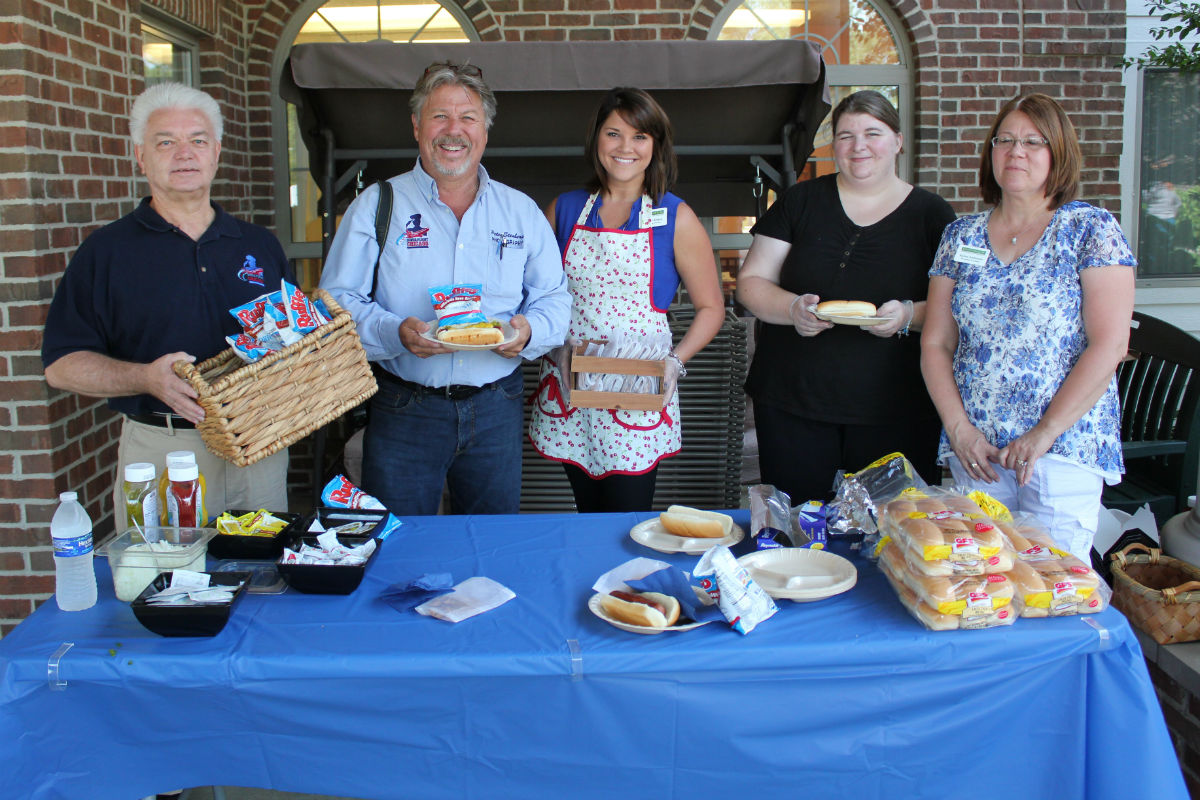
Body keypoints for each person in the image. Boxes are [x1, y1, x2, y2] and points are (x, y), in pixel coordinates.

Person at [319, 61, 570, 516]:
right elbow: (336, 302)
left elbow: (553, 297)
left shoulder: (521, 212)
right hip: (404, 407)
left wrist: (528, 332)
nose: (453, 131)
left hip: (497, 407)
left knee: (489, 548)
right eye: (440, 116)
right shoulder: (377, 205)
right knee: (399, 547)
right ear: (417, 126)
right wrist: (396, 332)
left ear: (485, 131)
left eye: (468, 118)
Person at [42, 82, 292, 531]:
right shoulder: (106, 252)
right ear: (141, 156)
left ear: (216, 152)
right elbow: (61, 365)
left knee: (265, 582)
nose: (184, 153)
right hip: (161, 448)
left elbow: (292, 337)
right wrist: (143, 377)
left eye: (197, 140)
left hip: (259, 446)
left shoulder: (259, 245)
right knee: (165, 587)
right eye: (166, 142)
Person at [921, 93, 1136, 561]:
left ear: (1058, 153)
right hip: (976, 450)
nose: (1016, 152)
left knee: (1055, 585)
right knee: (982, 584)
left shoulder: (1089, 229)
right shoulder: (961, 236)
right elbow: (936, 342)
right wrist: (958, 430)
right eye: (1005, 140)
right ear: (991, 153)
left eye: (1033, 142)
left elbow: (1110, 343)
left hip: (1061, 447)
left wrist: (1045, 433)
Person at [736, 90, 955, 503]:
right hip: (793, 403)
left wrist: (909, 314)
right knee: (801, 527)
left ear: (897, 141)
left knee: (891, 534)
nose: (859, 146)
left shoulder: (933, 215)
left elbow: (955, 308)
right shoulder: (800, 201)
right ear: (833, 144)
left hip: (897, 408)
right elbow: (751, 282)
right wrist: (791, 309)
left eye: (873, 133)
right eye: (845, 135)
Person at [527, 87, 725, 512]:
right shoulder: (563, 210)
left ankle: (624, 581)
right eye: (613, 133)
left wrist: (676, 361)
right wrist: (552, 343)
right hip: (572, 383)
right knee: (586, 511)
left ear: (656, 146)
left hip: (638, 391)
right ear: (596, 139)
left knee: (626, 517)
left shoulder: (677, 217)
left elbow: (712, 308)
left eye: (639, 137)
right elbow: (532, 296)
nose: (625, 148)